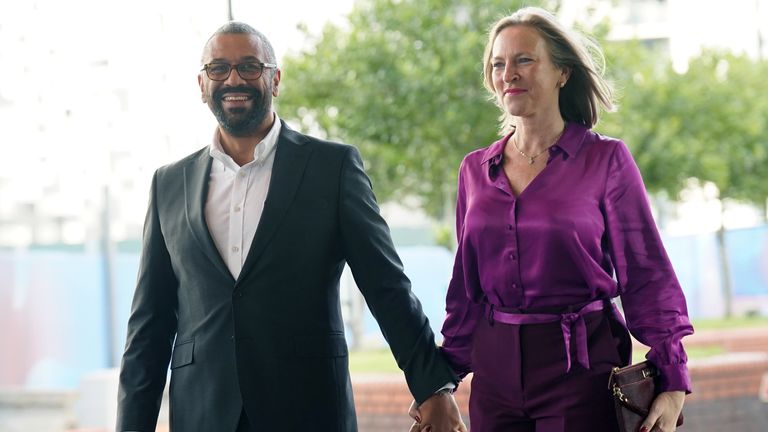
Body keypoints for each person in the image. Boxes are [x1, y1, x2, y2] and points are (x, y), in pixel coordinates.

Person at [116, 22, 466, 432]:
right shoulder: (168, 184)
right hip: (203, 411)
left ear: (275, 79)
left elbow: (386, 286)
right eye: (218, 68)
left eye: (250, 66)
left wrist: (433, 388)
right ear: (201, 83)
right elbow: (149, 327)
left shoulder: (331, 169)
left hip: (309, 407)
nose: (233, 79)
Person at [413, 7, 693, 432]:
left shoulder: (606, 160)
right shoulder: (474, 170)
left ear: (562, 72)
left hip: (582, 370)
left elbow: (646, 272)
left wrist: (672, 378)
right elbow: (467, 289)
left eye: (524, 59)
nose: (509, 73)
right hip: (495, 375)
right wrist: (440, 383)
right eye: (498, 64)